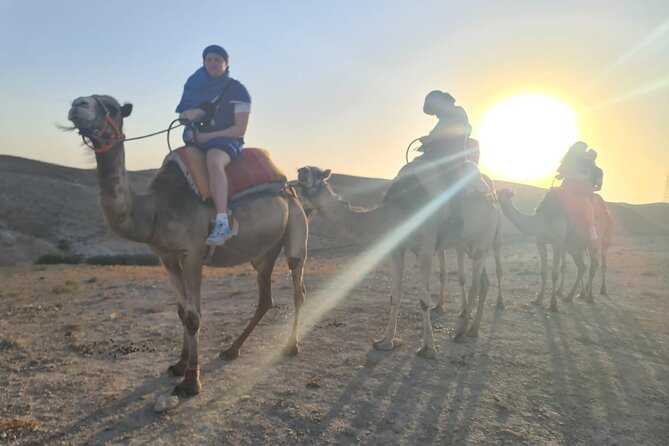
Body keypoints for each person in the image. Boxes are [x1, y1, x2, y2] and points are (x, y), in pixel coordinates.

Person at [175, 45, 252, 245]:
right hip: (200, 138)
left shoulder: (238, 90)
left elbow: (239, 129)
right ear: (203, 63)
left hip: (228, 140)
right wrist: (194, 114)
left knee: (214, 160)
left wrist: (208, 138)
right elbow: (184, 114)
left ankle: (222, 221)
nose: (213, 63)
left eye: (217, 59)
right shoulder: (196, 87)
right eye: (208, 60)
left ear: (226, 64)